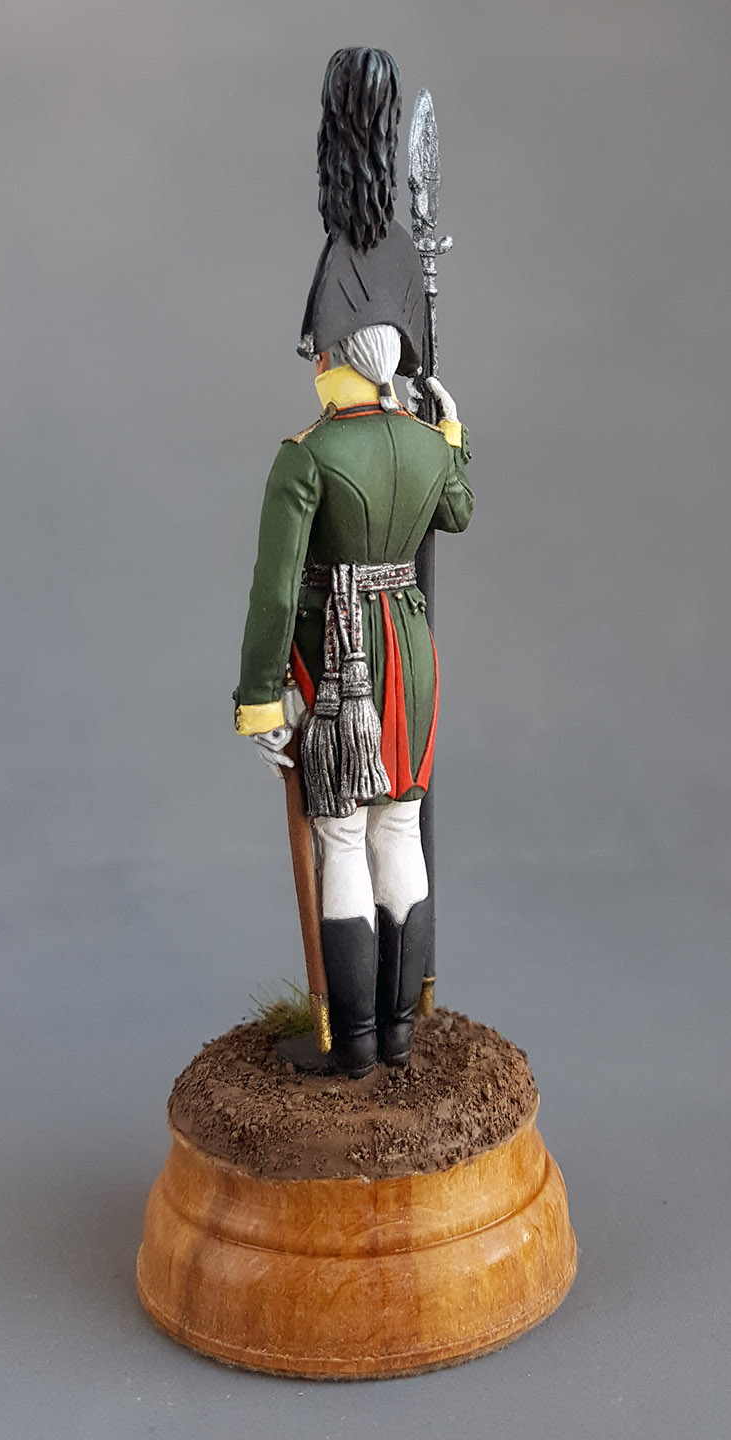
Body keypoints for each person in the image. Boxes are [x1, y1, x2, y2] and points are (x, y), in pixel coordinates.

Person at [234, 322, 474, 1075]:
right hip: (411, 650)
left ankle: (358, 1045)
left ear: (332, 360)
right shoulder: (428, 445)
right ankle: (398, 1035)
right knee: (399, 828)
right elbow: (458, 512)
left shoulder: (306, 454)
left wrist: (260, 699)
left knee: (342, 838)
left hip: (338, 658)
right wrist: (451, 432)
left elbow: (276, 590)